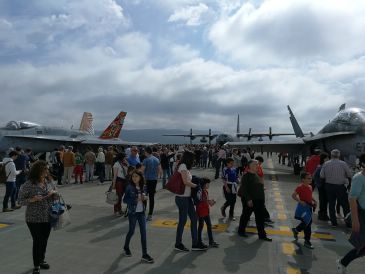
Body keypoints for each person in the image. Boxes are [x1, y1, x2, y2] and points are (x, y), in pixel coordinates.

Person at [18, 160, 57, 274]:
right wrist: (32, 199)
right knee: (37, 240)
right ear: (38, 170)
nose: (47, 171)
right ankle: (36, 264)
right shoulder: (28, 184)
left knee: (44, 240)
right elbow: (20, 201)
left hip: (48, 216)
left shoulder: (49, 181)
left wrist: (53, 194)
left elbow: (56, 195)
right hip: (33, 218)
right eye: (45, 169)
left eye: (47, 169)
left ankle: (42, 260)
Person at [336, 153, 365, 273]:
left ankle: (343, 263)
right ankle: (342, 262)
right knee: (362, 245)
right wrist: (355, 220)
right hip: (362, 215)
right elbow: (352, 199)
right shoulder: (359, 178)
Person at [174, 150, 206, 252]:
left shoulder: (185, 167)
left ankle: (195, 243)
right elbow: (185, 182)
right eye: (193, 158)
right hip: (182, 198)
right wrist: (197, 186)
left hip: (186, 197)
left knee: (194, 218)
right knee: (183, 221)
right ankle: (178, 243)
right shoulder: (183, 166)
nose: (194, 160)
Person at [123, 170, 154, 263]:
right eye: (133, 177)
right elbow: (125, 200)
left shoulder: (144, 187)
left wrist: (145, 198)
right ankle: (126, 247)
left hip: (141, 213)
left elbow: (145, 196)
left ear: (140, 177)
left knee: (143, 233)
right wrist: (135, 200)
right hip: (133, 213)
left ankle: (144, 254)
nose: (134, 178)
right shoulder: (129, 187)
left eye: (136, 176)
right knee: (131, 231)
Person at [237, 160, 272, 241]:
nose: (257, 165)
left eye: (257, 164)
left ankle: (262, 235)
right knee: (245, 216)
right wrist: (248, 200)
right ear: (250, 166)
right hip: (250, 200)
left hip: (259, 200)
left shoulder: (256, 174)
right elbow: (244, 189)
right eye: (255, 164)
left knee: (260, 218)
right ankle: (241, 231)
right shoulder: (246, 176)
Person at [320, 149, 352, 227]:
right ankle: (348, 222)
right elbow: (349, 175)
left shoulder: (326, 164)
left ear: (331, 155)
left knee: (331, 204)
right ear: (339, 155)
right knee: (345, 205)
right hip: (340, 187)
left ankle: (334, 222)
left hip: (329, 186)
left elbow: (322, 176)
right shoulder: (343, 164)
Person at [291, 172, 317, 249]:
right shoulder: (300, 187)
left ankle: (296, 230)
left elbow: (310, 195)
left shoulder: (310, 187)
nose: (310, 179)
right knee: (308, 223)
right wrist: (300, 201)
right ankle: (307, 241)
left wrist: (314, 200)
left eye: (311, 178)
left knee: (307, 222)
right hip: (303, 207)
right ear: (303, 179)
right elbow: (293, 195)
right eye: (308, 178)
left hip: (309, 207)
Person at [196, 178, 219, 248]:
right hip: (201, 212)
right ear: (204, 185)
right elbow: (200, 203)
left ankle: (211, 241)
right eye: (208, 184)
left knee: (208, 226)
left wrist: (210, 202)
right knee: (201, 226)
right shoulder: (200, 192)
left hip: (206, 212)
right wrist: (209, 202)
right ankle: (199, 241)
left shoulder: (206, 191)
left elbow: (207, 202)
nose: (209, 185)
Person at [141, 146, 161, 221]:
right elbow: (160, 170)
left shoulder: (145, 160)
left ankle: (143, 212)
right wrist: (156, 176)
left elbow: (142, 171)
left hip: (146, 181)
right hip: (154, 180)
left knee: (144, 196)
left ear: (146, 152)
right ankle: (150, 214)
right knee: (152, 197)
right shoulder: (156, 159)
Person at [313, 152, 330, 221]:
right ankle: (322, 215)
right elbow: (315, 176)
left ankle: (323, 214)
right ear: (324, 159)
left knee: (323, 200)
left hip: (321, 186)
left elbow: (314, 176)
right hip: (323, 186)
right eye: (327, 158)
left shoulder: (320, 166)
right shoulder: (322, 167)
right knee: (324, 201)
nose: (329, 159)